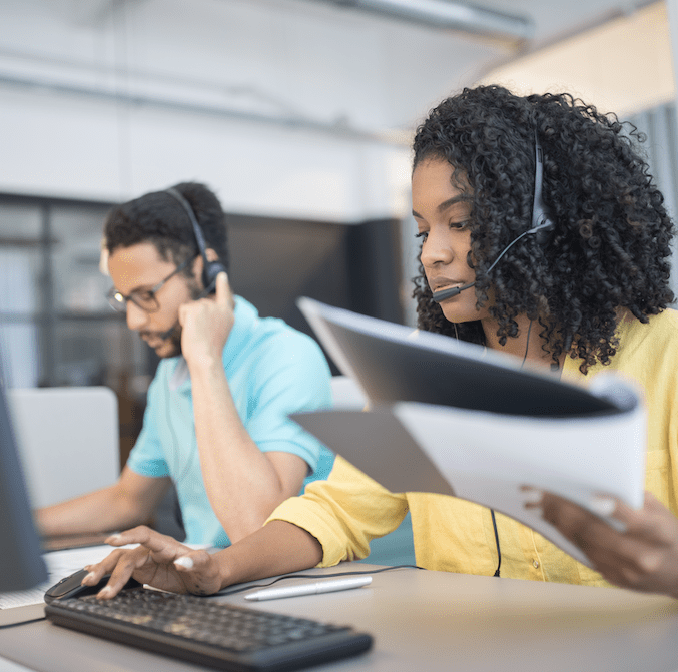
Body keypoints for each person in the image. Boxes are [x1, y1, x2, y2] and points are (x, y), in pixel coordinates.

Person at [82, 86, 678, 600]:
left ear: (546, 220)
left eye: (461, 222)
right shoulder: (418, 378)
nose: (431, 252)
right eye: (422, 230)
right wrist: (213, 568)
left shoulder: (667, 356)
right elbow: (334, 511)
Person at [36, 182, 334, 549]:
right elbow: (128, 500)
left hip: (280, 587)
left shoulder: (288, 357)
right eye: (124, 298)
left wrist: (205, 361)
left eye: (147, 295)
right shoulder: (171, 374)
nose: (133, 321)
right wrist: (18, 527)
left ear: (203, 269)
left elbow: (258, 527)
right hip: (205, 581)